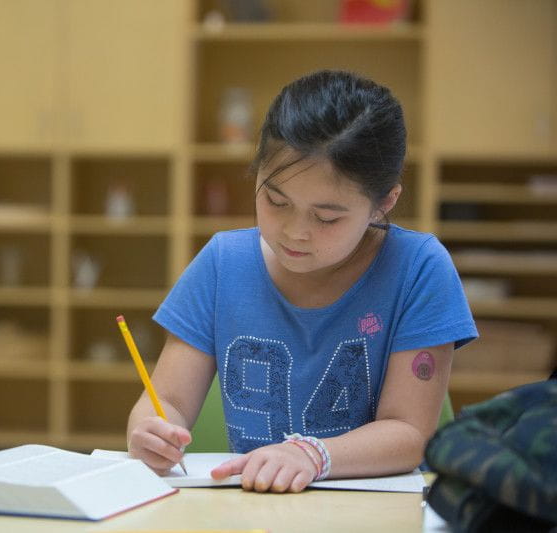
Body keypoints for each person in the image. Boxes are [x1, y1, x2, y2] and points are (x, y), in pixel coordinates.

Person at [126, 70, 477, 493]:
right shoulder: (223, 263)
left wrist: (311, 455)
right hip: (246, 512)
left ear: (383, 203)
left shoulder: (417, 268)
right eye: (276, 201)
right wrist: (149, 431)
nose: (295, 232)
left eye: (327, 217)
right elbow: (169, 401)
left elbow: (409, 432)